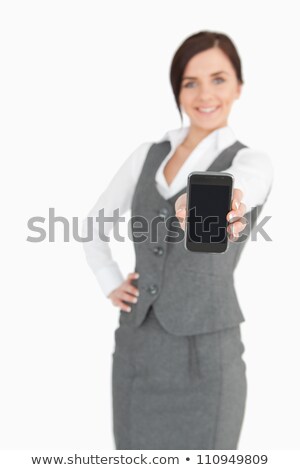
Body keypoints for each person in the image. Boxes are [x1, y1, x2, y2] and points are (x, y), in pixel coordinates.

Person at [82, 30, 273, 450]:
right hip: (137, 350)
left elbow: (241, 187)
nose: (205, 94)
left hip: (208, 356)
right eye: (191, 82)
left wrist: (226, 205)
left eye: (219, 79)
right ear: (178, 90)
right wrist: (108, 278)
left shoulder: (249, 161)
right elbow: (93, 225)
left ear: (239, 86)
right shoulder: (148, 154)